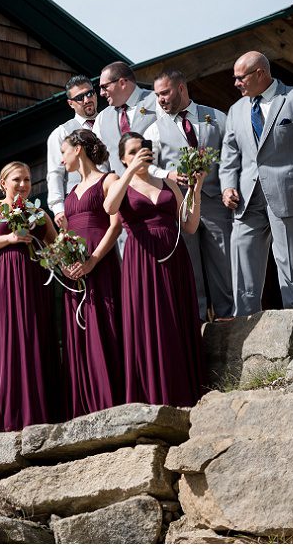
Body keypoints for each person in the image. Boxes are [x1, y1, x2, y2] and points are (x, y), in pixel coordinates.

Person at [219, 51, 293, 316]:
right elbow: (229, 155)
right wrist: (227, 186)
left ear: (260, 74)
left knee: (290, 259)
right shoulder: (236, 110)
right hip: (246, 199)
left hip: (290, 192)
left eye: (239, 77)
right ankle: (244, 319)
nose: (235, 83)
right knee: (242, 257)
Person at [103, 133, 205, 407]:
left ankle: (188, 392)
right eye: (133, 151)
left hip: (174, 256)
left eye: (144, 149)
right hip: (142, 259)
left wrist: (196, 188)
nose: (141, 154)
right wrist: (130, 172)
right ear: (123, 158)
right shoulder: (120, 184)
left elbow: (190, 225)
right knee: (150, 321)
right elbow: (109, 206)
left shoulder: (168, 183)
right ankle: (153, 394)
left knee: (176, 315)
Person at [0, 162, 59, 440]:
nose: (22, 185)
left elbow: (55, 248)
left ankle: (36, 413)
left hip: (33, 282)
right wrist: (9, 238)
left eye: (27, 180)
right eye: (16, 180)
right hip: (1, 280)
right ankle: (3, 417)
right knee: (4, 341)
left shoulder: (39, 213)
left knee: (32, 339)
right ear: (2, 183)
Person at [143, 70, 233, 321]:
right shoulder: (154, 130)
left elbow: (231, 154)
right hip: (181, 205)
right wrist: (167, 174)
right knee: (190, 265)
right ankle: (198, 321)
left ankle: (228, 318)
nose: (160, 99)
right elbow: (146, 166)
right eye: (157, 95)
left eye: (164, 93)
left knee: (223, 261)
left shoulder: (217, 117)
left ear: (181, 88)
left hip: (215, 199)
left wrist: (229, 186)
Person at [59, 129, 124, 417]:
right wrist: (63, 260)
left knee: (106, 324)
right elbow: (69, 234)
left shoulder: (108, 180)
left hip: (101, 263)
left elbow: (116, 225)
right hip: (74, 270)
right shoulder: (70, 193)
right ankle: (85, 404)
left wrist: (94, 260)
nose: (61, 160)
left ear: (78, 149)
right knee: (79, 329)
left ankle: (112, 397)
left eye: (63, 152)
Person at [47, 75, 99, 231]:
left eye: (89, 93)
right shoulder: (61, 133)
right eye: (79, 97)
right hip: (81, 205)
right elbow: (55, 173)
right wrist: (58, 209)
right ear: (70, 104)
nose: (86, 100)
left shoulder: (110, 120)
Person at [92, 61, 160, 175]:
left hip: (159, 188)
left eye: (104, 87)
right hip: (121, 190)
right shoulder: (101, 118)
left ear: (122, 83)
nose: (101, 93)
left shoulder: (158, 101)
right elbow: (99, 161)